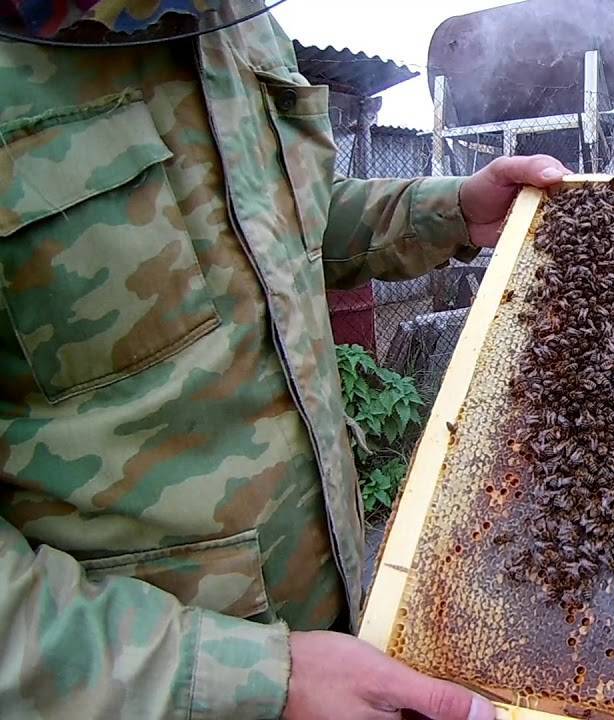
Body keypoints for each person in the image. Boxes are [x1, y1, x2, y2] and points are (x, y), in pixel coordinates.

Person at [0, 2, 570, 717]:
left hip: (340, 627)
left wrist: (449, 208)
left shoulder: (235, 23)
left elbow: (277, 221)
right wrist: (254, 681)